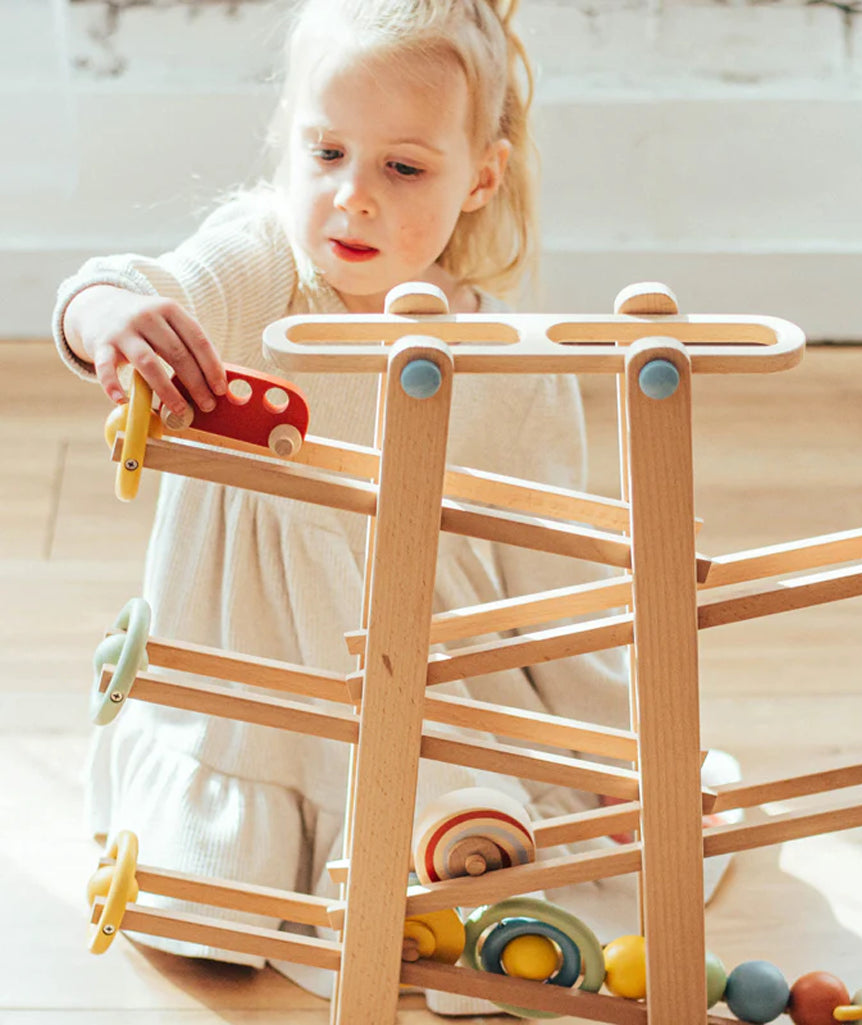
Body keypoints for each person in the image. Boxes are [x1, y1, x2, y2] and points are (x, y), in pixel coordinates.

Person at [53, 0, 738, 1009]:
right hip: (263, 688)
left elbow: (554, 574)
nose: (350, 198)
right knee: (201, 917)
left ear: (480, 180)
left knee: (480, 854)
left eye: (401, 168)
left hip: (425, 666)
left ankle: (446, 843)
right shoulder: (260, 270)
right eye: (324, 151)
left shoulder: (513, 366)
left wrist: (610, 748)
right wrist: (107, 312)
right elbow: (144, 284)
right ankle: (251, 862)